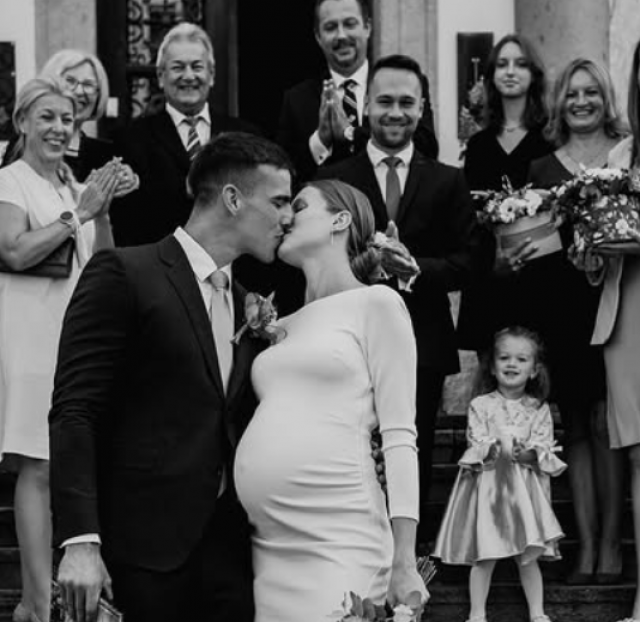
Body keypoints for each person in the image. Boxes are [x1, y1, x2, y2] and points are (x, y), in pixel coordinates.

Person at [49, 132, 293, 622]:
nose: (288, 217)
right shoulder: (125, 273)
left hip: (228, 554)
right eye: (279, 201)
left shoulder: (245, 301)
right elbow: (75, 410)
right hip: (138, 552)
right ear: (232, 199)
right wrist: (80, 540)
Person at [234, 178, 427, 622]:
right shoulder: (282, 325)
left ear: (340, 220)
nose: (286, 216)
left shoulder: (377, 303)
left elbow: (400, 434)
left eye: (299, 206)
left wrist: (404, 559)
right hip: (268, 545)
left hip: (340, 531)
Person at [317, 54, 476, 529]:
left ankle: (414, 554)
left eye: (407, 102)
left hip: (421, 341)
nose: (395, 112)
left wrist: (416, 269)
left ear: (422, 108)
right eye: (385, 101)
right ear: (366, 105)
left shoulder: (448, 180)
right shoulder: (334, 180)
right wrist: (363, 267)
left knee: (414, 448)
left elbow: (468, 262)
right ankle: (357, 546)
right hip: (348, 340)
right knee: (348, 448)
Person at [0, 76, 118, 622]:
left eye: (67, 119)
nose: (59, 128)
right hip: (28, 333)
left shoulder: (74, 188)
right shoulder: (10, 181)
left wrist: (102, 208)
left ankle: (56, 592)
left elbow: (104, 265)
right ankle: (34, 602)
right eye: (46, 116)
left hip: (73, 337)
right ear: (22, 122)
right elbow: (14, 251)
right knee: (39, 464)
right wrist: (79, 215)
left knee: (69, 459)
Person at [528, 58, 626, 585]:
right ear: (559, 102)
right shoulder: (542, 168)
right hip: (562, 307)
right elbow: (534, 243)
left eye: (591, 92)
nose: (581, 101)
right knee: (578, 429)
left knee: (608, 424)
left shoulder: (627, 155)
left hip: (617, 302)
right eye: (572, 93)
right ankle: (585, 545)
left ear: (605, 98)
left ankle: (611, 545)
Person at [433, 326, 566, 622]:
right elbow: (476, 441)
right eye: (504, 358)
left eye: (521, 359)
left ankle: (537, 612)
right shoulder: (480, 405)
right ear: (492, 367)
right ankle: (477, 613)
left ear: (534, 370)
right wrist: (495, 448)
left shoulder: (538, 408)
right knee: (485, 555)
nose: (512, 364)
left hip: (524, 494)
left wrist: (527, 454)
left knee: (527, 556)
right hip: (490, 492)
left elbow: (545, 446)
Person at [110, 22, 257, 247]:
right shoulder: (130, 140)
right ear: (161, 76)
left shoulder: (246, 136)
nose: (188, 76)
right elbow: (127, 219)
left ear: (211, 75)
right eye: (178, 67)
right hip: (160, 259)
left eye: (197, 67)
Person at [276, 0, 438, 182]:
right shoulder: (297, 100)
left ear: (367, 27)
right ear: (318, 37)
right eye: (330, 27)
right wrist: (320, 141)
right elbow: (284, 174)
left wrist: (351, 134)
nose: (341, 35)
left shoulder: (405, 84)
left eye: (350, 24)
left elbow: (427, 149)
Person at [457, 33, 554, 353]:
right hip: (490, 276)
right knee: (491, 369)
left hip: (540, 277)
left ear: (533, 75)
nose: (510, 71)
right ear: (491, 75)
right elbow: (469, 213)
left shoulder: (550, 139)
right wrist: (492, 260)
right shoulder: (478, 145)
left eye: (520, 64)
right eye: (502, 64)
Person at [591, 37, 640, 622]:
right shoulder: (618, 157)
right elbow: (603, 244)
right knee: (637, 459)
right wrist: (591, 252)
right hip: (627, 311)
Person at [2, 49, 114, 181]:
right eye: (70, 81)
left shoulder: (105, 153)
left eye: (88, 84)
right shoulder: (25, 143)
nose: (79, 91)